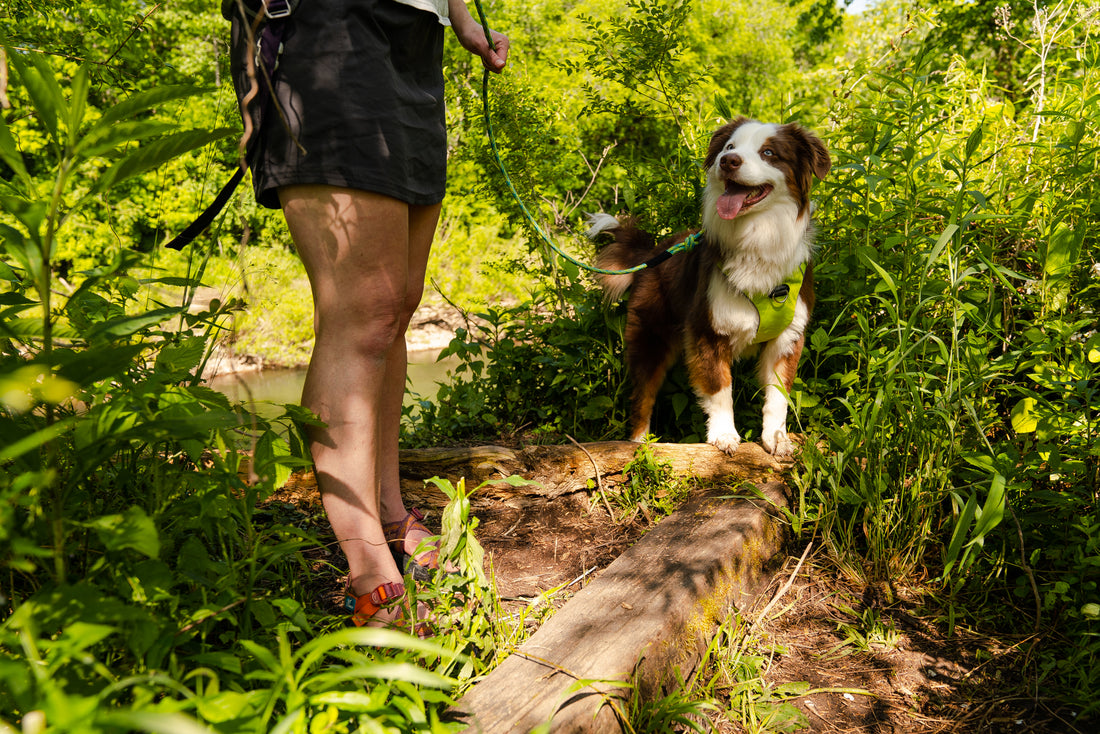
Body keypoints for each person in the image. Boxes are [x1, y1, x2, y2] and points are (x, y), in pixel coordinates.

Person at [225, 0, 509, 631]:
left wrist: (459, 17)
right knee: (363, 311)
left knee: (396, 305)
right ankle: (366, 567)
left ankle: (386, 508)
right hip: (325, 24)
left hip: (414, 35)